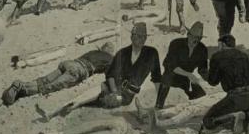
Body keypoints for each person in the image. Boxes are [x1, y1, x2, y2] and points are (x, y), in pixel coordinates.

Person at [31, 23, 162, 118]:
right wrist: (115, 92)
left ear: (145, 38)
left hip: (126, 95)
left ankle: (63, 110)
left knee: (90, 103)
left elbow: (156, 78)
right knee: (80, 99)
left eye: (141, 36)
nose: (138, 39)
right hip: (112, 87)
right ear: (131, 37)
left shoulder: (152, 54)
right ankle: (52, 112)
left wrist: (157, 103)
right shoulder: (122, 53)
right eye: (135, 35)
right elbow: (110, 75)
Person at [1, 42, 116, 106]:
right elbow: (110, 75)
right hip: (78, 70)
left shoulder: (94, 51)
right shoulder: (110, 59)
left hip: (69, 63)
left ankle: (21, 85)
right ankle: (23, 89)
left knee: (44, 80)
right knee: (49, 87)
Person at [199, 34, 249, 134]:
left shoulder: (217, 56)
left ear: (222, 44)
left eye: (219, 45)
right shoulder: (244, 56)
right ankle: (247, 116)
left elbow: (213, 81)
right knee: (242, 106)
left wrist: (203, 73)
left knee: (207, 120)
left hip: (234, 98)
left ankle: (232, 118)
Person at [154, 21, 208, 109]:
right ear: (188, 35)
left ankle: (190, 109)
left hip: (186, 80)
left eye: (198, 38)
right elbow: (170, 65)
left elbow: (202, 69)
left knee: (202, 98)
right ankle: (158, 106)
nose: (195, 40)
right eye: (193, 37)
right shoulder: (176, 44)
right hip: (172, 76)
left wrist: (211, 78)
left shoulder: (202, 49)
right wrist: (189, 74)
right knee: (167, 76)